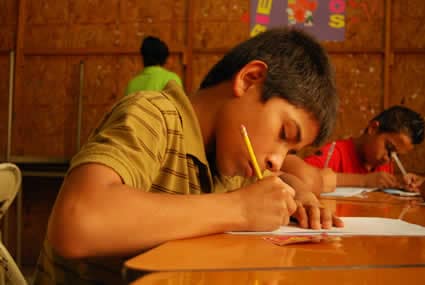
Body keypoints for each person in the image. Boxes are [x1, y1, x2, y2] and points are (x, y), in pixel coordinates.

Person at [33, 28, 342, 284]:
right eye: (284, 134)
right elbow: (78, 221)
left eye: (289, 151)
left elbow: (280, 175)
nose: (277, 159)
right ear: (248, 80)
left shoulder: (227, 162)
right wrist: (239, 208)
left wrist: (296, 191)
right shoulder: (153, 116)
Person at [304, 106, 425, 192]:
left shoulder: (384, 165)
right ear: (373, 128)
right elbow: (301, 176)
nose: (387, 158)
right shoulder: (335, 153)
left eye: (396, 156)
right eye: (388, 148)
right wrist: (364, 181)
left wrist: (400, 184)